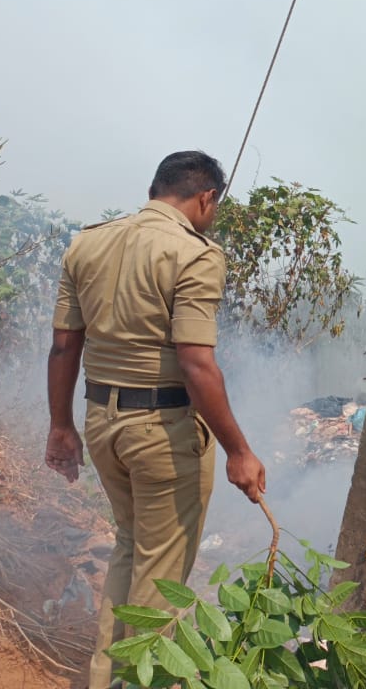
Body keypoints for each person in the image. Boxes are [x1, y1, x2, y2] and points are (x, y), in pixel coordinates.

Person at [45, 151, 266, 687]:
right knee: (163, 575)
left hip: (101, 423)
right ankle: (137, 680)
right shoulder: (195, 254)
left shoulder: (87, 243)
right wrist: (238, 449)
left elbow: (62, 347)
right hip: (162, 432)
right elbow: (195, 363)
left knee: (132, 545)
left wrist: (60, 426)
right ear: (205, 198)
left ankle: (106, 675)